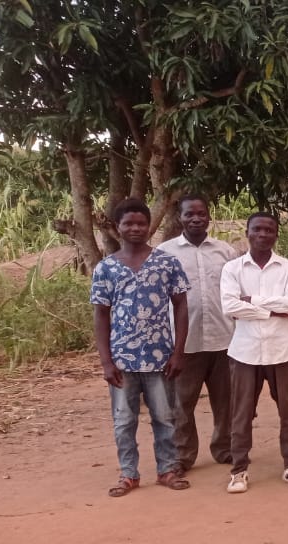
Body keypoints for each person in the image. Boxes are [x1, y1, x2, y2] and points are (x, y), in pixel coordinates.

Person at [91, 198, 191, 497]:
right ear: (117, 227)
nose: (135, 228)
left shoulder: (166, 262)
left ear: (149, 227)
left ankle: (167, 469)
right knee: (124, 420)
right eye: (128, 223)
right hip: (122, 360)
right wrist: (106, 361)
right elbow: (101, 314)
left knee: (165, 417)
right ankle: (128, 474)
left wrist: (178, 352)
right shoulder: (106, 268)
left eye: (141, 223)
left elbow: (181, 307)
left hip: (160, 358)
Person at [219, 211, 288, 493]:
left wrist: (253, 301)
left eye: (269, 230)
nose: (263, 234)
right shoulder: (232, 269)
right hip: (245, 352)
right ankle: (239, 470)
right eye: (257, 229)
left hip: (283, 352)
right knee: (241, 413)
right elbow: (230, 307)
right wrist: (275, 310)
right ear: (248, 232)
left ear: (276, 234)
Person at [158, 195, 238, 472]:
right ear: (179, 217)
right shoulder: (165, 253)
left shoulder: (225, 251)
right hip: (184, 345)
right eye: (189, 214)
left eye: (201, 213)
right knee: (180, 405)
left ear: (208, 216)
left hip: (224, 339)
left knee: (226, 402)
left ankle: (224, 448)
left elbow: (236, 292)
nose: (196, 218)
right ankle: (183, 455)